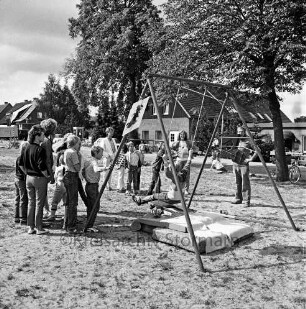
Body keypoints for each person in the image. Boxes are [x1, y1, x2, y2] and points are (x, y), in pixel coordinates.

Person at [19, 125, 50, 235]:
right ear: (37, 136)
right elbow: (42, 166)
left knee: (31, 203)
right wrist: (47, 175)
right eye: (42, 134)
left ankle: (31, 227)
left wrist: (27, 173)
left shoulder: (26, 147)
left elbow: (20, 163)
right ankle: (39, 228)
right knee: (39, 203)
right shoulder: (40, 149)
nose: (44, 136)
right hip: (39, 178)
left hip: (29, 178)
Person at [83, 145, 109, 232]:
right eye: (101, 153)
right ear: (96, 153)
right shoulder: (94, 161)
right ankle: (89, 225)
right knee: (95, 206)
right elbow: (96, 169)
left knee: (91, 206)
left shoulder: (89, 160)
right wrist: (106, 168)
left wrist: (87, 178)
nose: (102, 155)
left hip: (90, 185)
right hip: (92, 186)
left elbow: (83, 171)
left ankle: (89, 224)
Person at [231, 125, 257, 207]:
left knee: (245, 183)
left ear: (244, 132)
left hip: (243, 165)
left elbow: (257, 150)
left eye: (241, 131)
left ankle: (246, 201)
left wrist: (251, 159)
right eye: (238, 131)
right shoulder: (236, 140)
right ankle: (238, 198)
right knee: (237, 182)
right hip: (235, 164)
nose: (239, 133)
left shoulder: (249, 140)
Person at [63, 135, 81, 234]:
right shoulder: (74, 153)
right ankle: (71, 226)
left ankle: (66, 223)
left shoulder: (66, 151)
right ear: (74, 143)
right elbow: (77, 167)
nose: (79, 145)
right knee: (73, 203)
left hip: (67, 174)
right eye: (78, 143)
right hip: (72, 175)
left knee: (68, 201)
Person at [40, 118, 57, 218]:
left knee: (43, 192)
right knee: (43, 192)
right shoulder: (47, 141)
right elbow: (48, 160)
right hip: (44, 170)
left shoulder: (43, 139)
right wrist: (51, 174)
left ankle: (46, 210)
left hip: (40, 169)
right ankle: (45, 211)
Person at [46, 152, 67, 221]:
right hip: (66, 186)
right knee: (66, 202)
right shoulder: (68, 168)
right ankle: (66, 216)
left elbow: (55, 177)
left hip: (60, 185)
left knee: (55, 201)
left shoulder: (58, 168)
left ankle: (52, 215)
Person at [171, 130, 193, 195]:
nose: (182, 136)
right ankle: (179, 188)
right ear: (179, 135)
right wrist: (175, 153)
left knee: (187, 175)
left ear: (185, 135)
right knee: (179, 175)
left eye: (183, 134)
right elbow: (172, 149)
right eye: (181, 134)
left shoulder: (188, 142)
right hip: (179, 160)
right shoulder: (177, 143)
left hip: (186, 160)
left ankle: (186, 190)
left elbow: (193, 149)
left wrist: (192, 150)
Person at [14, 141, 29, 225]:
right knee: (23, 198)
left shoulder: (19, 157)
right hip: (21, 180)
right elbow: (23, 170)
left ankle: (16, 217)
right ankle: (23, 218)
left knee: (17, 198)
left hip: (17, 179)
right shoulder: (22, 158)